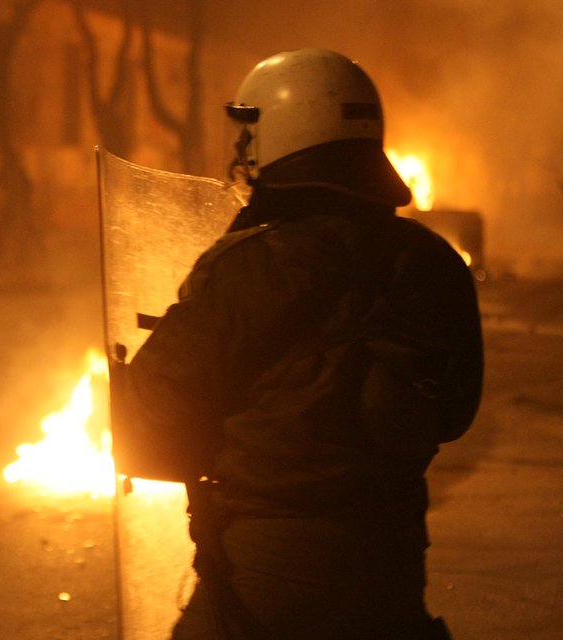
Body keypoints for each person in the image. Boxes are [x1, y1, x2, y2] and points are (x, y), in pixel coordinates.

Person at [116, 49, 483, 639]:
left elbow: (152, 416)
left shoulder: (249, 267)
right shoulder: (434, 262)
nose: (243, 149)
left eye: (251, 130)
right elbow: (455, 412)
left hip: (268, 575)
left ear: (290, 131)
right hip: (392, 568)